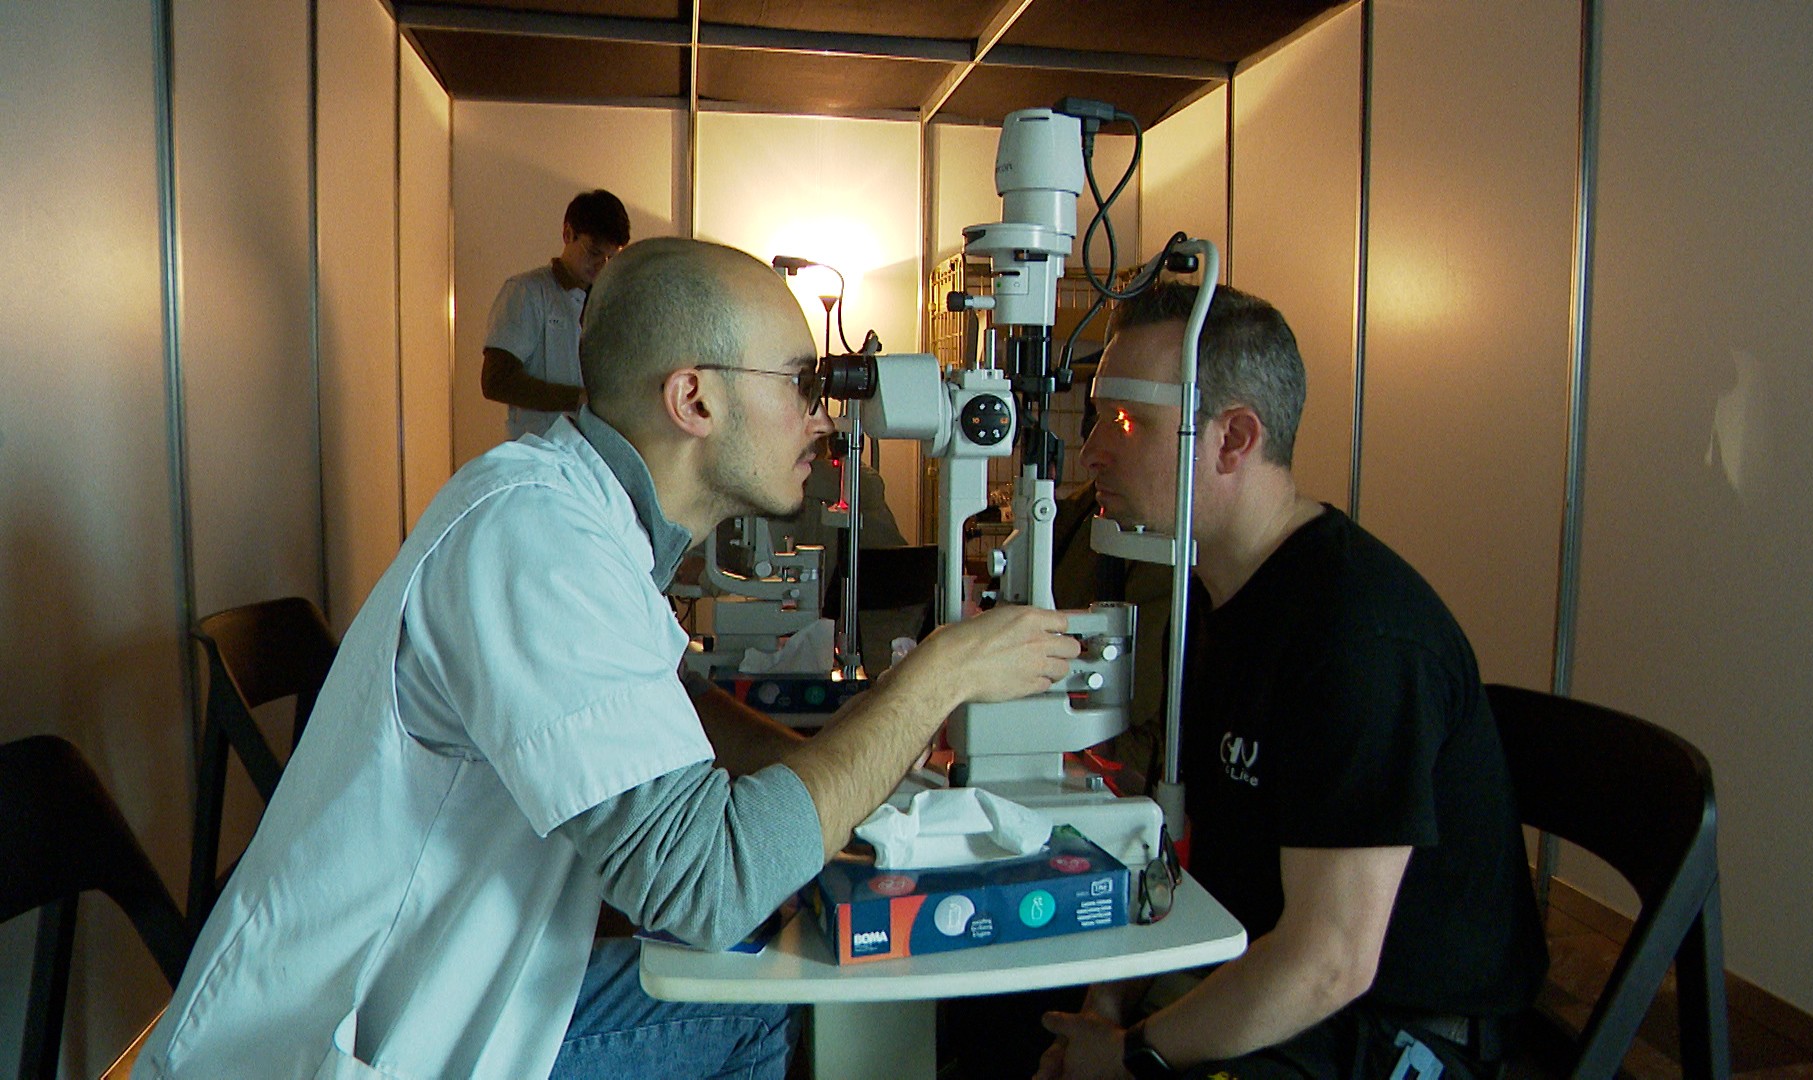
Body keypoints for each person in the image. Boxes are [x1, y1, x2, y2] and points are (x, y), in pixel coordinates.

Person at [135, 238, 1080, 1080]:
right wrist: (939, 678)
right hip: (370, 1038)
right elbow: (709, 887)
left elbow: (662, 705)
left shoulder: (577, 515)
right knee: (763, 1004)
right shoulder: (539, 541)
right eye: (801, 383)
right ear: (694, 399)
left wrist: (846, 773)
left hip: (451, 976)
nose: (822, 418)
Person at [1029, 282, 1546, 1079]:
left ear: (1233, 439)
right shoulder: (1214, 598)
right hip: (1260, 971)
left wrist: (1129, 1057)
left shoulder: (1359, 639)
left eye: (1126, 421)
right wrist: (1103, 1011)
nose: (1093, 449)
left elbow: (1329, 963)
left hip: (1389, 1032)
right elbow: (1173, 847)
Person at [482, 188, 631, 441]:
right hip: (538, 444)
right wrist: (578, 398)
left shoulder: (611, 302)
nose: (602, 265)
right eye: (594, 252)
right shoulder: (526, 292)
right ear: (568, 233)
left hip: (592, 448)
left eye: (611, 257)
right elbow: (496, 381)